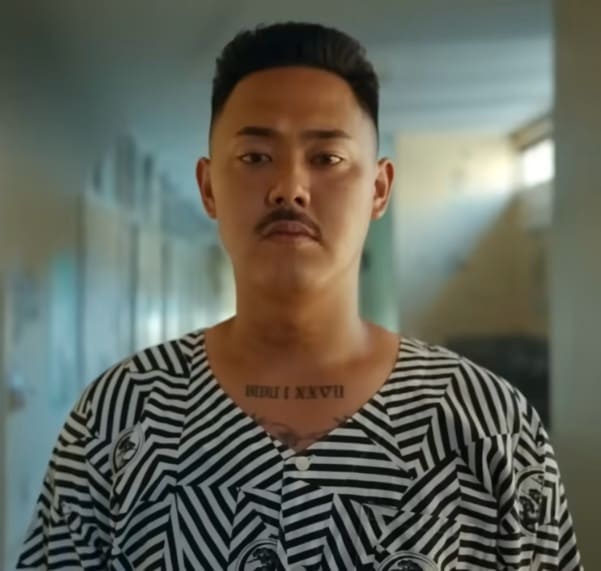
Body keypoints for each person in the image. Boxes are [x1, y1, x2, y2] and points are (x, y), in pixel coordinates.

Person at [17, 22, 581, 571]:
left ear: (379, 188)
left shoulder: (489, 426)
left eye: (326, 158)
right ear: (209, 187)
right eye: (255, 157)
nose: (289, 187)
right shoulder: (121, 415)